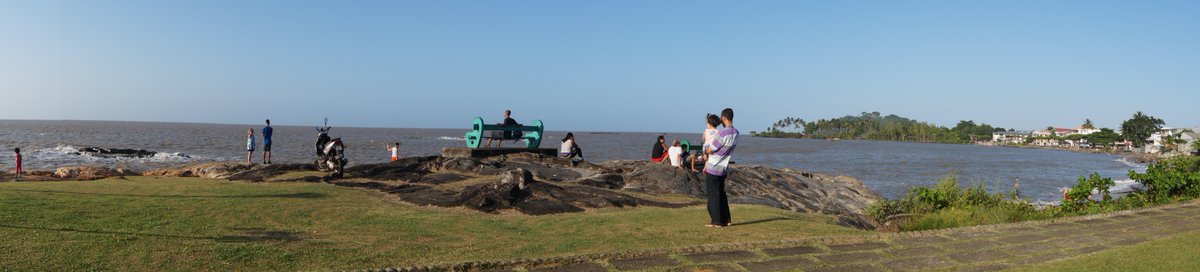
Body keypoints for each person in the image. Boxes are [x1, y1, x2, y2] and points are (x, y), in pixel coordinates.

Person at [704, 108, 739, 228]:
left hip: (714, 166)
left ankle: (716, 221)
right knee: (722, 194)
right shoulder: (736, 133)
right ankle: (726, 219)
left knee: (713, 195)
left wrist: (706, 150)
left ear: (724, 118)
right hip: (724, 167)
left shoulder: (723, 133)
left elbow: (711, 148)